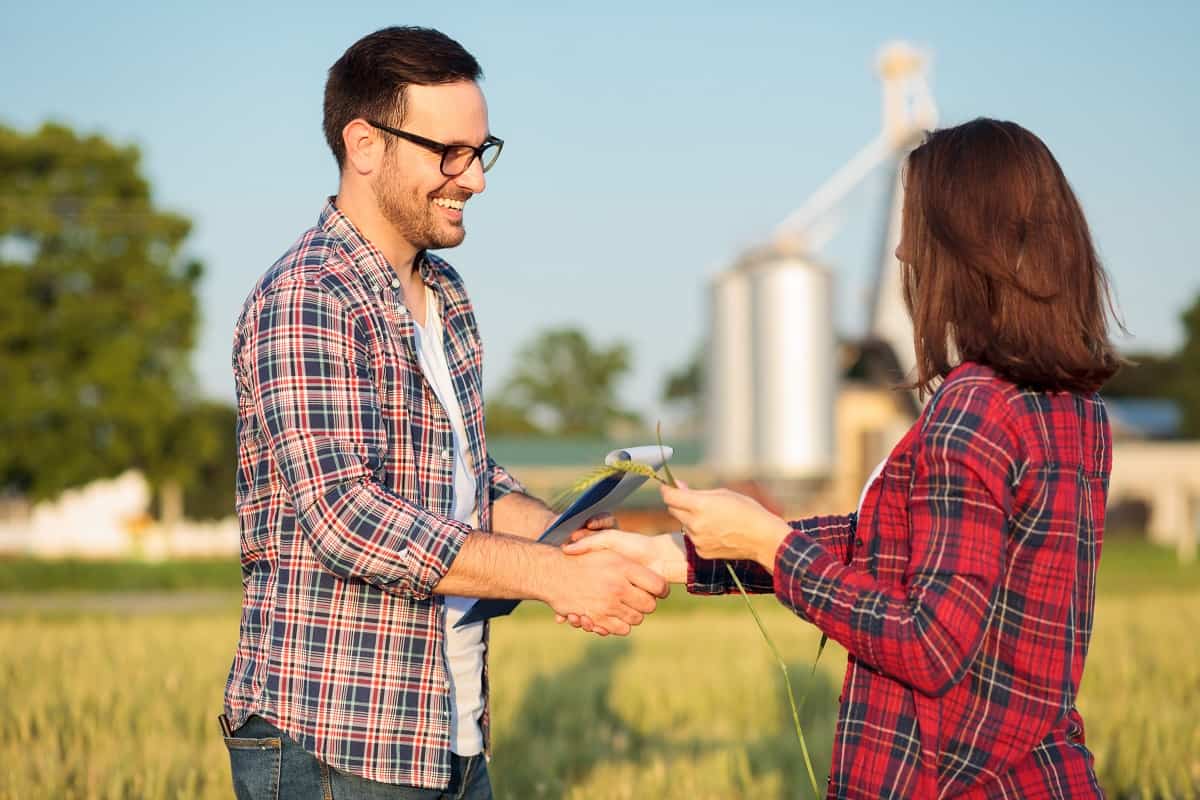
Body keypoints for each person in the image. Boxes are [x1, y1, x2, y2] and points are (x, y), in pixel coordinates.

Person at [567, 118, 1120, 798]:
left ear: (964, 241)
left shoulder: (974, 408)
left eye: (917, 224)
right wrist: (674, 554)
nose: (899, 252)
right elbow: (898, 547)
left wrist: (770, 543)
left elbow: (930, 642)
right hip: (1045, 775)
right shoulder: (1071, 406)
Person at [219, 26, 668, 800]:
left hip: (448, 729)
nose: (474, 178)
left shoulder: (447, 298)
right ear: (365, 145)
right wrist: (552, 578)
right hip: (339, 739)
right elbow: (347, 516)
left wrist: (564, 532)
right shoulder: (307, 297)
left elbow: (462, 480)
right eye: (448, 153)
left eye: (481, 151)